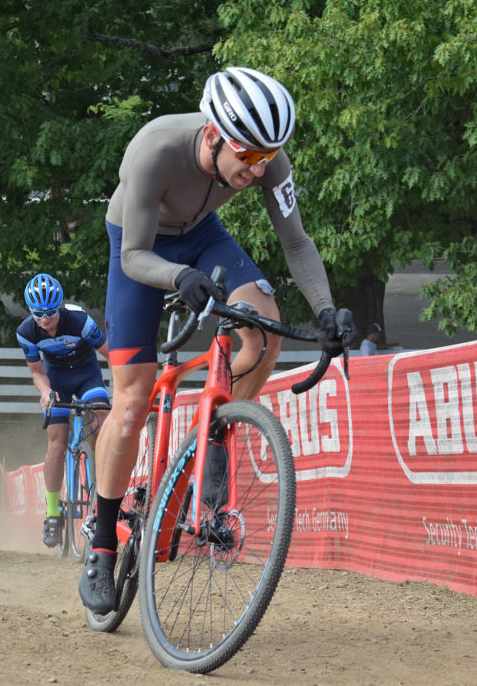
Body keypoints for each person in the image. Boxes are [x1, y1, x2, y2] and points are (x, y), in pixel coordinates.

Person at [79, 67, 354, 613]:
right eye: (247, 157)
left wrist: (326, 311)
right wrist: (178, 277)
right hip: (138, 244)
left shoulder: (268, 159)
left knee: (265, 328)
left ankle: (218, 436)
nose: (258, 170)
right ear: (212, 136)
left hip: (203, 236)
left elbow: (297, 243)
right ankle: (104, 545)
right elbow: (134, 255)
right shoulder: (154, 149)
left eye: (266, 158)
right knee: (132, 403)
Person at [15, 273, 111, 548]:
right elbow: (37, 372)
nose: (45, 319)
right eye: (38, 314)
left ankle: (101, 494)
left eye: (50, 313)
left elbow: (110, 354)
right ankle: (53, 514)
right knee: (56, 445)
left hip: (87, 375)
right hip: (56, 379)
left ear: (59, 306)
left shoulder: (80, 320)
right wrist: (45, 393)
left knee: (100, 422)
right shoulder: (25, 332)